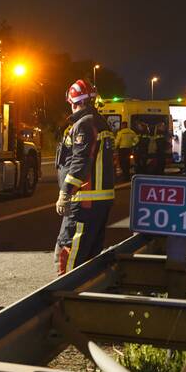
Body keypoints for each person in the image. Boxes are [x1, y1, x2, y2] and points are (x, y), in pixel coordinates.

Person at [54, 79, 116, 275]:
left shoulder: (84, 125)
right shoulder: (100, 122)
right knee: (89, 255)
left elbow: (80, 161)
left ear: (72, 101)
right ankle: (86, 293)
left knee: (69, 252)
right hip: (101, 201)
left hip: (84, 200)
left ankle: (66, 299)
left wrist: (65, 193)